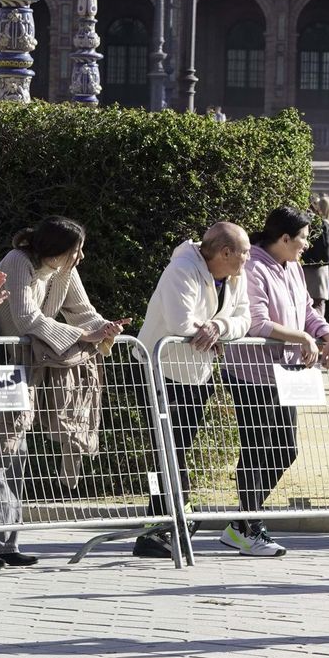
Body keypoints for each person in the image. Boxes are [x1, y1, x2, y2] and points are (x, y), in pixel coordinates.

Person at [0, 217, 125, 569]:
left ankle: (6, 540)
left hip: (20, 367)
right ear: (53, 248)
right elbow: (25, 319)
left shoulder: (63, 269)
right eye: (74, 249)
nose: (80, 256)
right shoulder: (19, 261)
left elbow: (83, 313)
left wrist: (104, 328)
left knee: (13, 448)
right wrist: (82, 336)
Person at [222, 206, 329, 556]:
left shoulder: (293, 267)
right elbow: (256, 322)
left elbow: (306, 308)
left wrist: (324, 332)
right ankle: (251, 525)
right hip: (251, 372)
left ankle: (242, 523)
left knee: (284, 449)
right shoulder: (253, 268)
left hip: (285, 372)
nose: (306, 244)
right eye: (302, 238)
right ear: (284, 238)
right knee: (257, 448)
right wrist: (302, 339)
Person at [135, 223, 254, 558]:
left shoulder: (235, 277)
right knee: (163, 451)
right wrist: (212, 333)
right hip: (162, 370)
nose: (248, 257)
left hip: (197, 374)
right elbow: (179, 323)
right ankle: (158, 525)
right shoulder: (182, 269)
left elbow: (245, 319)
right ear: (225, 253)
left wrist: (219, 327)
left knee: (179, 448)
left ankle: (168, 522)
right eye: (244, 251)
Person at [301, 195, 329, 327]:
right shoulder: (322, 223)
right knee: (318, 305)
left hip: (302, 267)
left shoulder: (300, 222)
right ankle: (318, 333)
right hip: (320, 269)